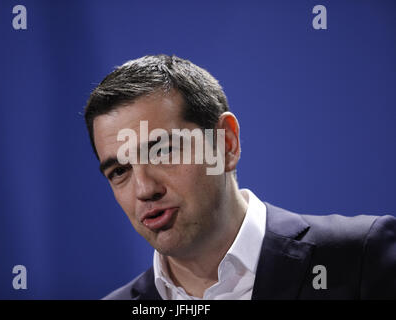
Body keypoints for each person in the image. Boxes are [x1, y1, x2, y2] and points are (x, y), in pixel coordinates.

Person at [84, 54, 396, 300]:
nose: (144, 189)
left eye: (162, 151)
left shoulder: (359, 258)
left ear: (226, 144)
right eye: (120, 171)